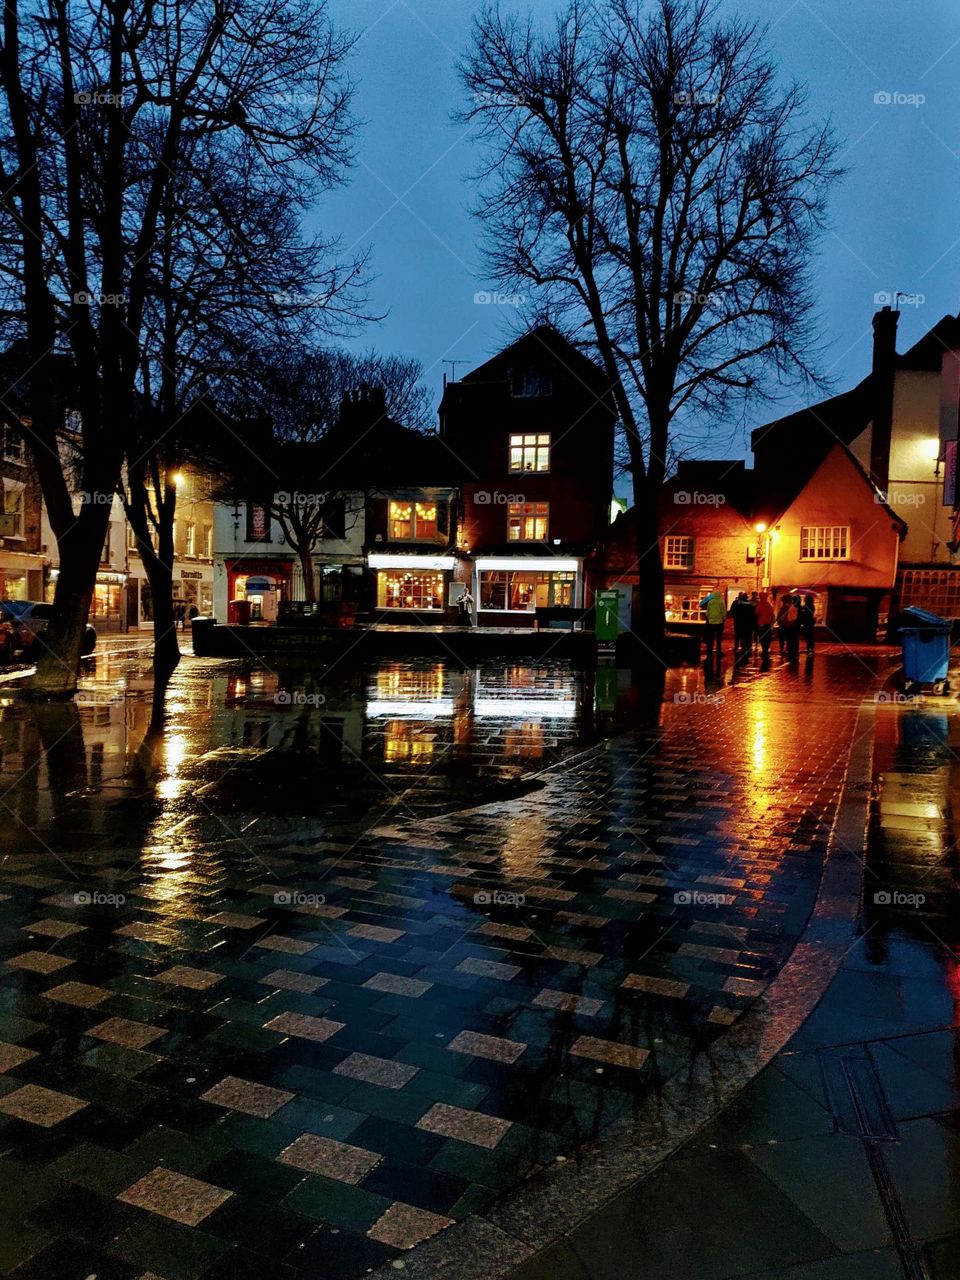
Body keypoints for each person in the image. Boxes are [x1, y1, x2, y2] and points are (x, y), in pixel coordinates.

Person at [699, 588, 727, 662]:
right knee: (719, 638)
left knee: (710, 638)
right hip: (719, 622)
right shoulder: (721, 602)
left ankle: (709, 651)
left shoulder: (710, 602)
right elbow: (724, 611)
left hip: (711, 622)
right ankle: (718, 651)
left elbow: (707, 612)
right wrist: (724, 618)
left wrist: (709, 618)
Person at [730, 592, 755, 657]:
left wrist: (735, 617)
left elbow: (732, 612)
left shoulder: (737, 604)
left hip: (739, 622)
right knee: (748, 636)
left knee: (739, 635)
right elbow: (753, 614)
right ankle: (748, 648)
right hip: (748, 623)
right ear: (746, 598)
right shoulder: (750, 605)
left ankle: (738, 647)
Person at [778, 592, 801, 661]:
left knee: (782, 639)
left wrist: (779, 621)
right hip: (791, 626)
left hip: (784, 626)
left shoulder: (784, 608)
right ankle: (791, 653)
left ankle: (784, 651)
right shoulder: (793, 607)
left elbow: (779, 617)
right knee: (790, 640)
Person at [754, 591, 775, 663]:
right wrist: (771, 623)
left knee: (762, 638)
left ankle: (764, 650)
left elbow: (756, 613)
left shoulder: (759, 604)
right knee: (767, 638)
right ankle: (766, 650)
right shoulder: (768, 605)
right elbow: (772, 615)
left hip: (761, 625)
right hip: (768, 624)